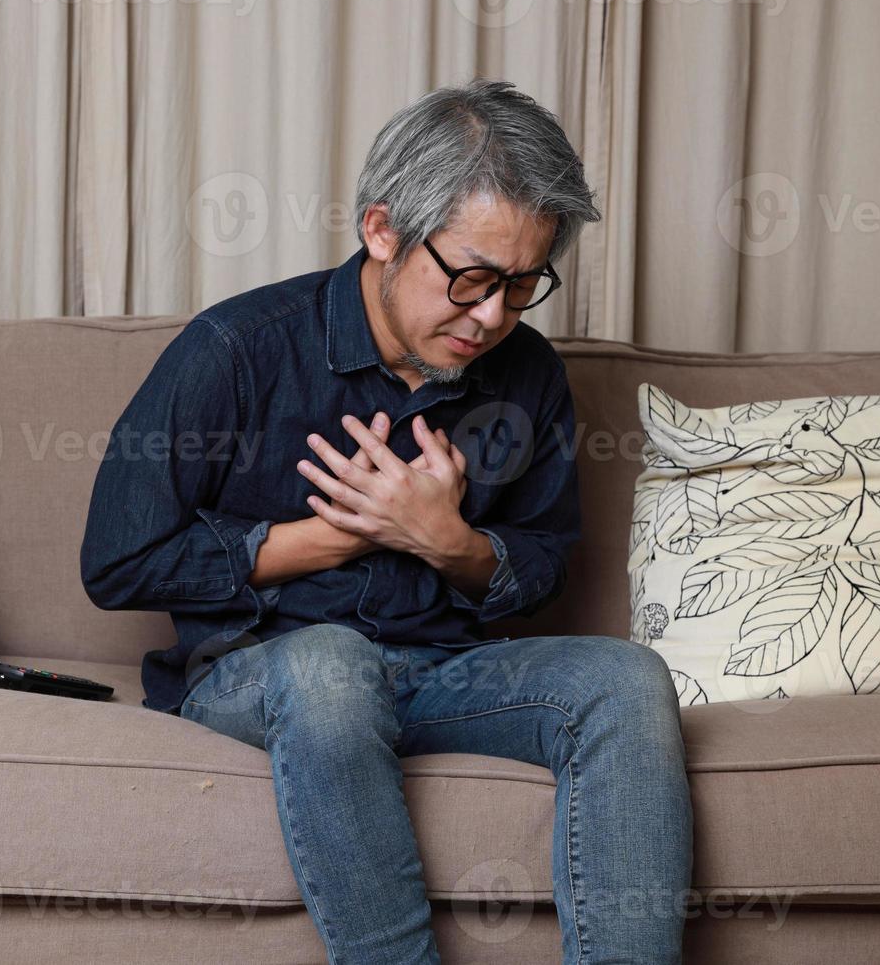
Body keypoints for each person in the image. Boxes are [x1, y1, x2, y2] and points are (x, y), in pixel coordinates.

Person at [80, 77, 693, 964]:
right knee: (331, 665)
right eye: (472, 279)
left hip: (442, 673)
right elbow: (117, 562)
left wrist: (450, 543)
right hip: (261, 675)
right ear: (382, 231)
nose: (491, 318)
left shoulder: (528, 375)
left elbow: (547, 562)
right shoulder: (236, 350)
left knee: (626, 678)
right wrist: (341, 533)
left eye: (522, 287)